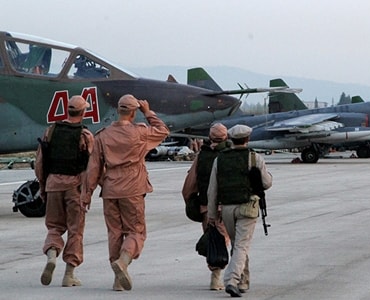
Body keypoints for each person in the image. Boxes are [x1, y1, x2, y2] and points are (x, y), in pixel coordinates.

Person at [81, 94, 169, 291]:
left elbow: (93, 168)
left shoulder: (102, 135)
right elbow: (163, 131)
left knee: (114, 232)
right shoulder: (140, 132)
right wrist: (149, 113)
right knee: (136, 231)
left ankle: (117, 280)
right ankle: (123, 262)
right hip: (133, 188)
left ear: (118, 110)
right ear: (133, 112)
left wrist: (86, 195)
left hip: (110, 188)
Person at [35, 95, 94, 287]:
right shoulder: (85, 135)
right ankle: (69, 274)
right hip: (74, 186)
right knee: (75, 230)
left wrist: (43, 186)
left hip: (53, 184)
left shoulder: (50, 131)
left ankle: (51, 255)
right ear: (83, 112)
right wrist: (87, 192)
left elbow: (40, 162)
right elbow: (90, 167)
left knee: (54, 227)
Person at [207, 124, 272, 297]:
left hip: (227, 208)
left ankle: (243, 282)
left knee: (238, 246)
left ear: (231, 139)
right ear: (247, 139)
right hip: (247, 207)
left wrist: (212, 214)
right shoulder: (254, 158)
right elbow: (267, 183)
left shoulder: (220, 159)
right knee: (242, 246)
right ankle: (232, 280)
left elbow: (212, 189)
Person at [182, 123, 231, 290]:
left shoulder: (202, 156)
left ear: (210, 138)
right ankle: (221, 276)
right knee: (226, 240)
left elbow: (189, 186)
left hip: (206, 207)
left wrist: (191, 202)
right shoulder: (231, 155)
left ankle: (215, 275)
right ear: (226, 137)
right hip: (229, 206)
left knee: (212, 240)